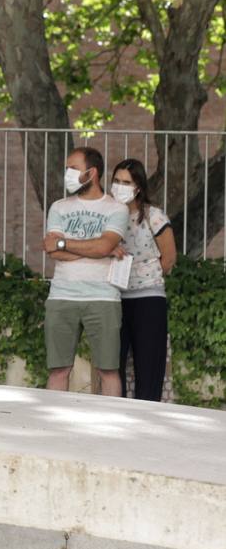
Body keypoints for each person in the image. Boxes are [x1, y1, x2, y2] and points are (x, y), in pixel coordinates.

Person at [42, 146, 129, 396]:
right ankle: (54, 424)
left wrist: (65, 243)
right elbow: (53, 250)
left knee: (108, 371)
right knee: (58, 369)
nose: (68, 173)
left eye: (73, 168)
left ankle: (110, 425)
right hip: (61, 296)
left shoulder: (116, 209)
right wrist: (99, 249)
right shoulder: (58, 207)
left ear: (92, 173)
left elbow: (103, 245)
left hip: (103, 298)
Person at [111, 158, 176, 402]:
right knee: (112, 365)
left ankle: (149, 421)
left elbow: (169, 258)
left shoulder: (153, 216)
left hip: (148, 299)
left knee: (149, 366)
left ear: (138, 186)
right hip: (114, 297)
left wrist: (143, 275)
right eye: (116, 181)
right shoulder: (107, 216)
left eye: (126, 182)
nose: (119, 186)